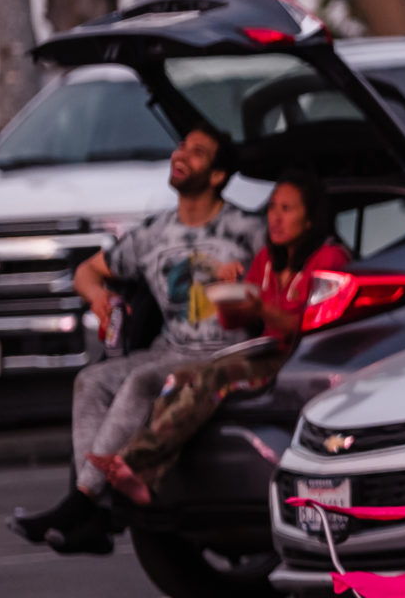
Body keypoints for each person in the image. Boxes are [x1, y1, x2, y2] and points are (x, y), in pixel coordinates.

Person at [9, 126, 264, 554]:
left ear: (218, 175)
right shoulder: (153, 234)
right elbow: (86, 271)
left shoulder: (246, 229)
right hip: (173, 348)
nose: (181, 155)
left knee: (142, 381)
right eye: (181, 146)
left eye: (197, 152)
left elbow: (291, 273)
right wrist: (98, 297)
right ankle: (92, 508)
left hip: (226, 353)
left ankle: (84, 506)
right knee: (91, 381)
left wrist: (251, 282)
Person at [91, 172, 351, 506]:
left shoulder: (329, 259)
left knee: (212, 376)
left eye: (287, 209)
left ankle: (133, 460)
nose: (274, 217)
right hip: (262, 352)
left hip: (299, 359)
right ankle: (145, 477)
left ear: (311, 217)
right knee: (180, 378)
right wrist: (228, 291)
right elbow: (235, 321)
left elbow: (301, 326)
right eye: (272, 208)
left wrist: (260, 306)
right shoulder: (268, 260)